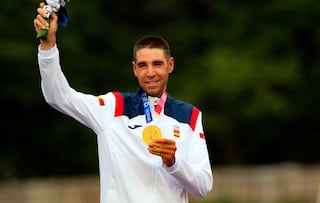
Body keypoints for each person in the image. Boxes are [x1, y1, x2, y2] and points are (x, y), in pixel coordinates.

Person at [33, 3, 212, 203]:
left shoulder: (190, 115)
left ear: (170, 65)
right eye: (143, 65)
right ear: (134, 69)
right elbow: (58, 96)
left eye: (158, 64)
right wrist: (47, 47)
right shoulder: (113, 107)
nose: (151, 72)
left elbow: (204, 186)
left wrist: (174, 162)